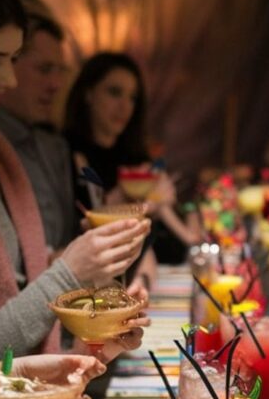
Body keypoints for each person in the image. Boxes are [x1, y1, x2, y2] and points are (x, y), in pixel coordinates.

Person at [0, 0, 150, 360]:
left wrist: (93, 308)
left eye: (14, 59)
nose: (9, 78)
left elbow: (16, 279)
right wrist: (68, 277)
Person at [64, 52, 199, 266]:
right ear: (88, 93)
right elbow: (78, 234)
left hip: (144, 271)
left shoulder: (134, 157)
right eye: (114, 92)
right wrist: (144, 205)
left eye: (132, 97)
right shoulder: (67, 153)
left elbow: (179, 247)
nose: (125, 106)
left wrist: (169, 205)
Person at [0, 13, 77, 253]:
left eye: (60, 71)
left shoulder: (54, 146)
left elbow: (66, 237)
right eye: (44, 69)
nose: (56, 84)